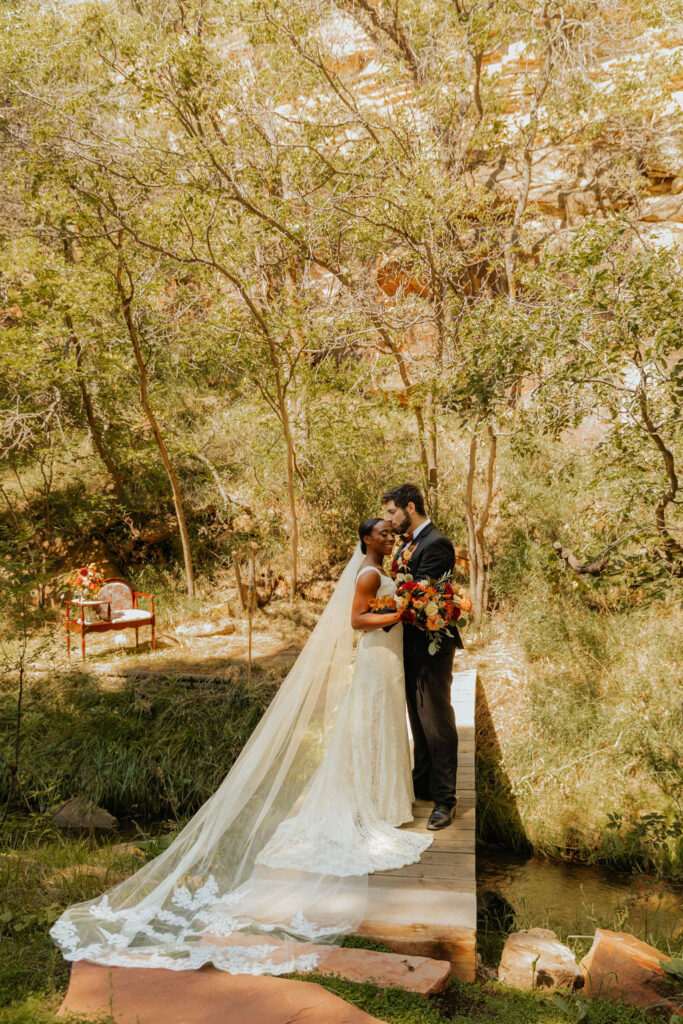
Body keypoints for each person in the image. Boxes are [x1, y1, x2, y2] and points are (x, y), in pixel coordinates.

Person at [50, 518, 431, 977]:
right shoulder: (369, 572)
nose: (391, 538)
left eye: (393, 533)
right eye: (383, 533)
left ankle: (381, 798)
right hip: (376, 657)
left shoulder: (378, 569)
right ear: (366, 539)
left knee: (380, 727)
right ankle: (372, 802)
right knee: (371, 726)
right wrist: (400, 615)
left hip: (385, 659)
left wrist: (403, 610)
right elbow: (356, 620)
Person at [383, 483, 462, 831]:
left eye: (392, 512)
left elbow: (419, 593)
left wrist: (380, 606)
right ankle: (423, 782)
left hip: (431, 644)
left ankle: (445, 800)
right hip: (410, 642)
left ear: (410, 507)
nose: (389, 519)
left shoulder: (437, 543)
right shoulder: (409, 543)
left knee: (437, 718)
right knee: (417, 715)